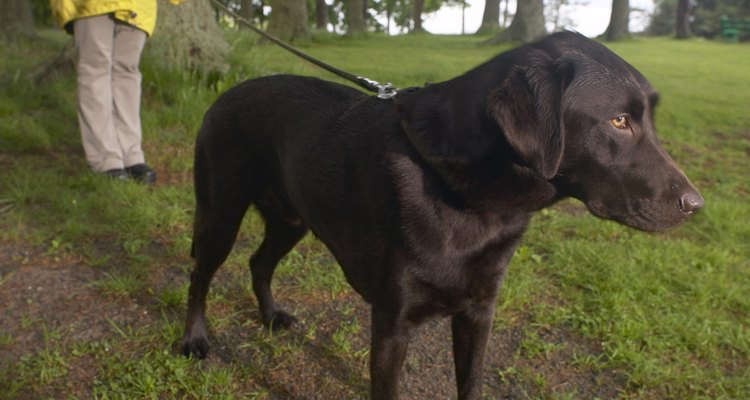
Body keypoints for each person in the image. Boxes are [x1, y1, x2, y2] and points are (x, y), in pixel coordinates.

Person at [50, 0, 180, 184]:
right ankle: (105, 157)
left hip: (139, 6)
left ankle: (132, 156)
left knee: (128, 71)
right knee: (95, 69)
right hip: (91, 4)